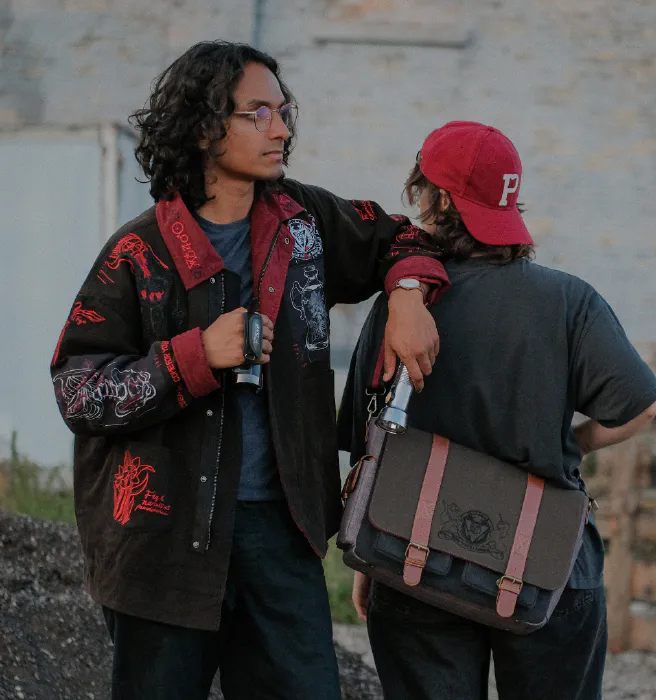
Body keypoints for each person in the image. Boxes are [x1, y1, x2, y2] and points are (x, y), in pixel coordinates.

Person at [50, 41, 450, 700]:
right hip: (162, 545)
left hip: (282, 533)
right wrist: (195, 357)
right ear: (206, 128)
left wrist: (407, 297)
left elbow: (405, 240)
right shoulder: (136, 252)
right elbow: (78, 389)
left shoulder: (307, 225)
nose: (282, 129)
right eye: (257, 114)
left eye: (284, 111)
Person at [338, 121, 656, 700]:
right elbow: (641, 407)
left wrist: (369, 563)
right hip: (547, 563)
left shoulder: (404, 307)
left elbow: (375, 438)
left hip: (416, 554)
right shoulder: (570, 300)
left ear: (438, 199)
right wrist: (577, 444)